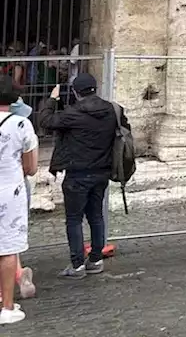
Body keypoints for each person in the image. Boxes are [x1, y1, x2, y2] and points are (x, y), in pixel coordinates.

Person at [38, 73, 125, 278]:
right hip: (102, 171)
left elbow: (45, 121)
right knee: (96, 216)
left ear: (76, 92)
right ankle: (95, 260)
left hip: (78, 173)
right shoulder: (112, 110)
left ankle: (77, 264)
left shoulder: (73, 113)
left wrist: (52, 99)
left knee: (74, 219)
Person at [0, 77, 37, 325]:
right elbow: (31, 167)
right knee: (7, 249)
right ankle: (7, 307)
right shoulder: (21, 125)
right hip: (8, 191)